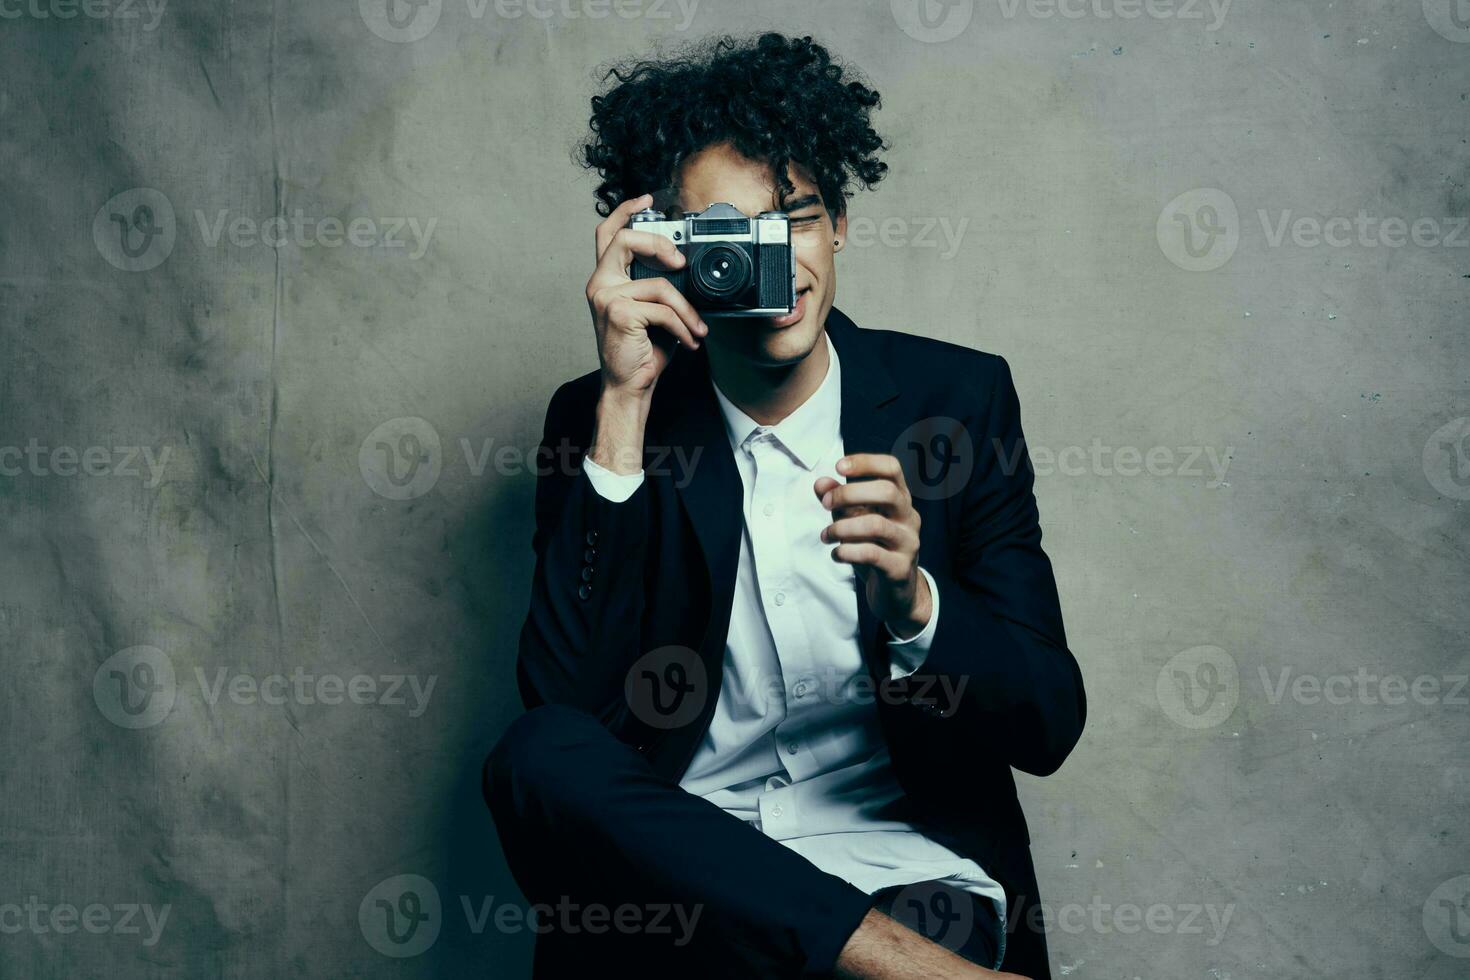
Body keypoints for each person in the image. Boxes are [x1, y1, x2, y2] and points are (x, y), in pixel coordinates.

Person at [484, 32, 1085, 979]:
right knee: (535, 750)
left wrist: (916, 606)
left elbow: (1050, 723)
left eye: (793, 218)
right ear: (670, 253)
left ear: (838, 220)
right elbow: (564, 718)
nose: (774, 260)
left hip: (904, 864)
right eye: (730, 236)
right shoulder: (603, 412)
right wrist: (626, 404)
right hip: (692, 882)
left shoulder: (956, 401)